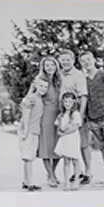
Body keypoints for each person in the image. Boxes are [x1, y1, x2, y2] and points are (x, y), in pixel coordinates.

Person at [78, 51, 104, 188]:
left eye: (88, 59)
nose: (86, 62)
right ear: (81, 63)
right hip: (93, 120)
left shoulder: (103, 74)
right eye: (83, 61)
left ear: (94, 60)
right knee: (103, 150)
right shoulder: (83, 79)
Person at [57, 50, 89, 183]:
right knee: (68, 143)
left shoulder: (78, 75)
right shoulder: (59, 74)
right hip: (64, 113)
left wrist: (80, 116)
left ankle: (88, 172)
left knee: (82, 144)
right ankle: (79, 172)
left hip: (76, 113)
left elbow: (83, 96)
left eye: (67, 59)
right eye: (62, 59)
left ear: (73, 59)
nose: (65, 62)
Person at [35, 56, 63, 187]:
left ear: (56, 66)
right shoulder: (40, 80)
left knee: (58, 147)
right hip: (45, 115)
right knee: (46, 146)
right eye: (47, 65)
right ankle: (51, 176)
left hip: (59, 115)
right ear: (44, 67)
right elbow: (32, 95)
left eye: (52, 65)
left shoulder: (60, 80)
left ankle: (52, 173)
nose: (50, 67)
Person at [17, 77, 46, 191]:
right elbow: (26, 114)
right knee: (28, 158)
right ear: (35, 86)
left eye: (45, 86)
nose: (43, 88)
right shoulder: (32, 98)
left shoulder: (39, 99)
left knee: (28, 158)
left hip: (35, 131)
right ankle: (30, 183)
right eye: (41, 86)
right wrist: (25, 131)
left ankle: (26, 181)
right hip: (29, 131)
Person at [53, 91, 84, 190]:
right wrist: (59, 132)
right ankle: (66, 182)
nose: (67, 104)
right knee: (66, 161)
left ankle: (76, 181)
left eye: (70, 102)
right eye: (65, 102)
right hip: (65, 140)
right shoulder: (61, 115)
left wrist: (63, 133)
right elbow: (58, 127)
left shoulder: (75, 114)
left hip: (73, 138)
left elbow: (74, 128)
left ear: (74, 102)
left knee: (75, 160)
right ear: (62, 102)